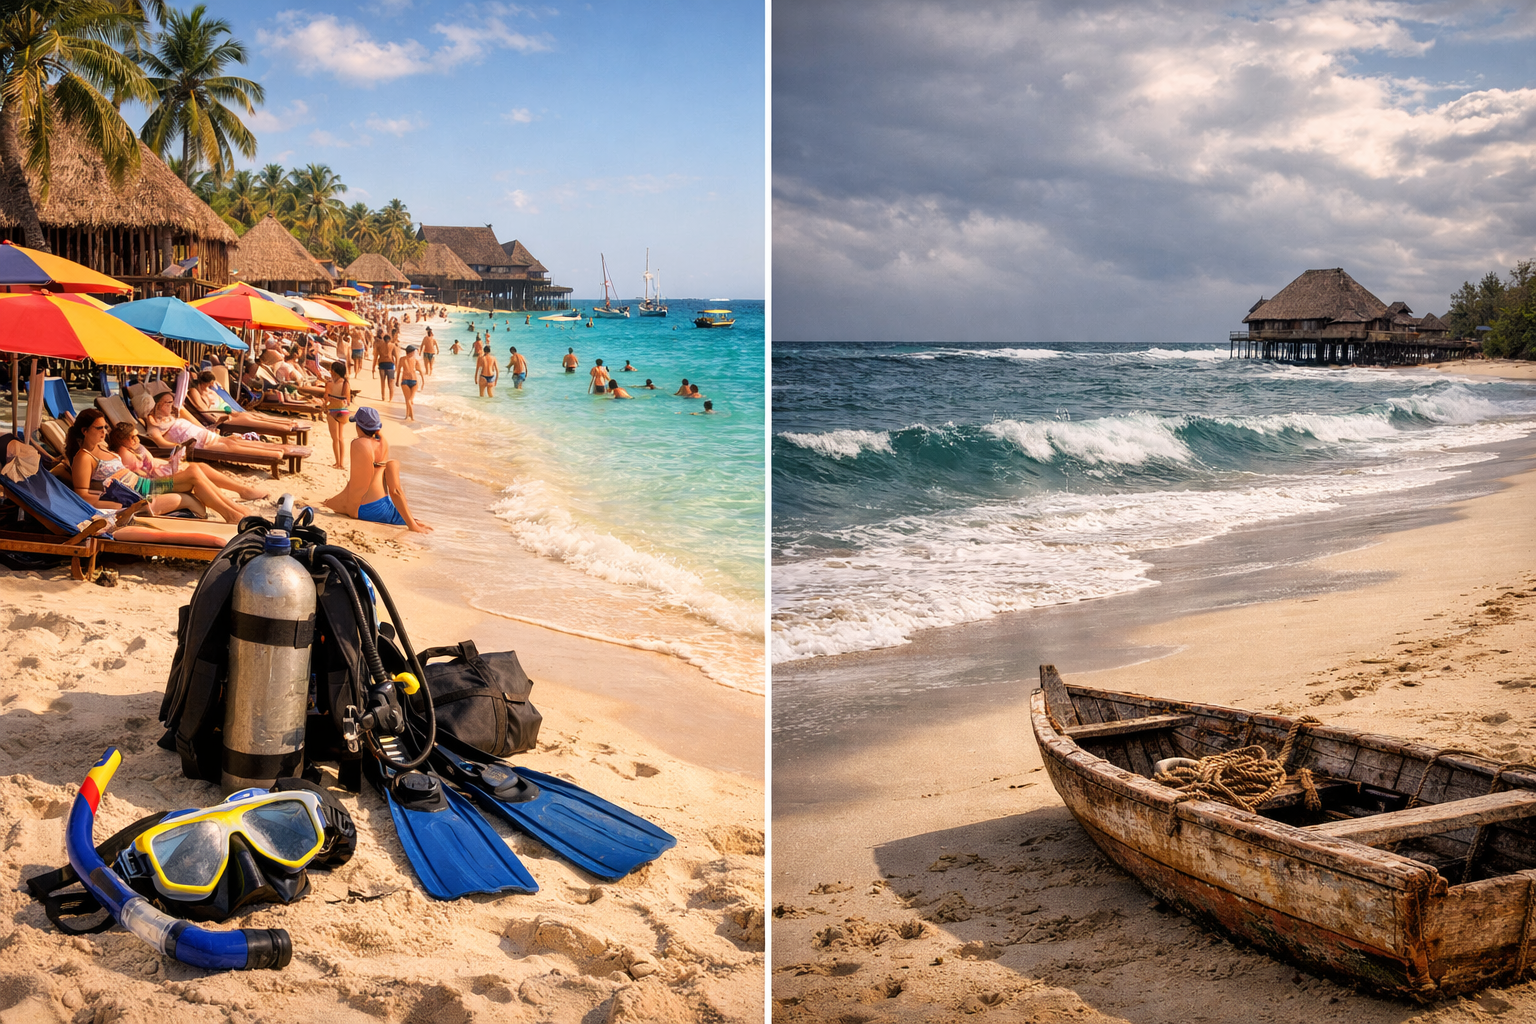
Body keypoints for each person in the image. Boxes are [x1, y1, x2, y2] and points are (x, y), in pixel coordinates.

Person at [66, 409, 260, 523]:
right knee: (193, 472)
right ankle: (234, 514)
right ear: (84, 431)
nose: (104, 431)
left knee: (194, 471)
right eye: (99, 428)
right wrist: (120, 504)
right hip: (139, 492)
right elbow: (82, 494)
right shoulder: (83, 458)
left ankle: (234, 512)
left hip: (143, 485)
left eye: (105, 427)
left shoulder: (104, 447)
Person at [324, 407, 431, 533]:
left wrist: (349, 509)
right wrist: (411, 523)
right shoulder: (382, 442)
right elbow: (394, 490)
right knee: (418, 522)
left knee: (329, 504)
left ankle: (412, 523)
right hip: (385, 502)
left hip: (366, 508)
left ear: (358, 426)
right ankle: (412, 521)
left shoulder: (359, 444)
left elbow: (357, 486)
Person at [143, 392, 308, 463]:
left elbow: (191, 419)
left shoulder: (170, 416)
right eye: (168, 402)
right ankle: (279, 453)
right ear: (158, 405)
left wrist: (209, 428)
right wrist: (180, 447)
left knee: (235, 441)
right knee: (233, 445)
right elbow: (159, 443)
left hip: (204, 435)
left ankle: (285, 448)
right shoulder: (154, 424)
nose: (172, 405)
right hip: (197, 444)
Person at [323, 360, 351, 468]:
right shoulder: (346, 383)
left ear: (334, 371)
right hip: (343, 411)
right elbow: (347, 400)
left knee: (335, 439)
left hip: (333, 410)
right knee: (341, 438)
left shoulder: (330, 383)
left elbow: (327, 397)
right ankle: (341, 463)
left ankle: (337, 462)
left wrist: (326, 405)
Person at [398, 345, 425, 421]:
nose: (414, 353)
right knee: (409, 400)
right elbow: (420, 371)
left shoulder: (402, 359)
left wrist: (397, 380)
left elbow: (399, 370)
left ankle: (408, 416)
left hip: (406, 381)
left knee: (408, 400)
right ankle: (410, 416)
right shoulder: (415, 360)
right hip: (413, 381)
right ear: (410, 352)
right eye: (413, 352)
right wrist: (423, 381)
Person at [377, 334, 399, 402]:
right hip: (390, 364)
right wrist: (397, 367)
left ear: (383, 339)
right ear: (390, 339)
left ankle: (383, 397)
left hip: (382, 364)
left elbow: (376, 356)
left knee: (382, 382)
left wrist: (373, 366)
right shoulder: (392, 345)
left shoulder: (380, 345)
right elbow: (397, 357)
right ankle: (390, 399)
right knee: (390, 383)